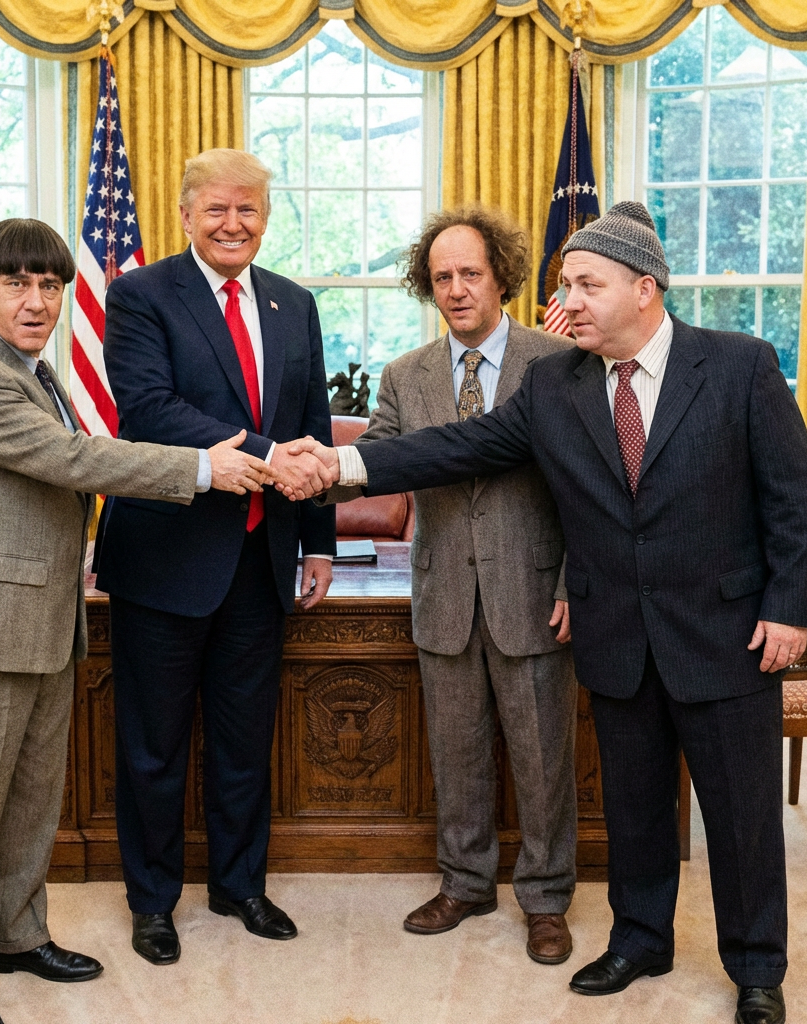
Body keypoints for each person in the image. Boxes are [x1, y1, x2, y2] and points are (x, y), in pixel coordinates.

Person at [285, 202, 807, 1024]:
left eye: (585, 284)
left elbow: (794, 501)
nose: (564, 300)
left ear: (645, 289)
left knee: (741, 816)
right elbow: (457, 447)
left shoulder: (740, 365)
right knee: (635, 807)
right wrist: (343, 461)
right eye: (563, 283)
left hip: (722, 636)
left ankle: (756, 970)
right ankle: (640, 939)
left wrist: (789, 609)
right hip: (617, 636)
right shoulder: (556, 384)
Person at [0, 219, 274, 1024]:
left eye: (50, 285)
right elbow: (74, 461)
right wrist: (202, 466)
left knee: (30, 804)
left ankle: (14, 934)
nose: (37, 301)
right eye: (17, 284)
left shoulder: (34, 371)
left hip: (38, 620)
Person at [94, 148, 337, 965]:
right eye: (218, 210)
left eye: (249, 211)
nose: (234, 224)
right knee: (154, 745)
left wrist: (320, 541)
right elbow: (149, 408)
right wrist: (277, 453)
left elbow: (316, 419)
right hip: (165, 559)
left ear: (266, 219)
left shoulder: (293, 303)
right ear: (186, 214)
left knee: (244, 739)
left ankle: (240, 886)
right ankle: (153, 903)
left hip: (261, 560)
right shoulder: (138, 294)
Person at [323, 206, 578, 962]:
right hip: (442, 598)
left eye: (471, 273)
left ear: (501, 275)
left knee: (542, 757)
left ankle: (545, 898)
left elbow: (586, 492)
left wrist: (574, 581)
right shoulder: (405, 376)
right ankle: (465, 883)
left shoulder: (559, 363)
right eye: (442, 277)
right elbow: (375, 469)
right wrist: (309, 468)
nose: (458, 289)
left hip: (533, 595)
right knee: (457, 753)